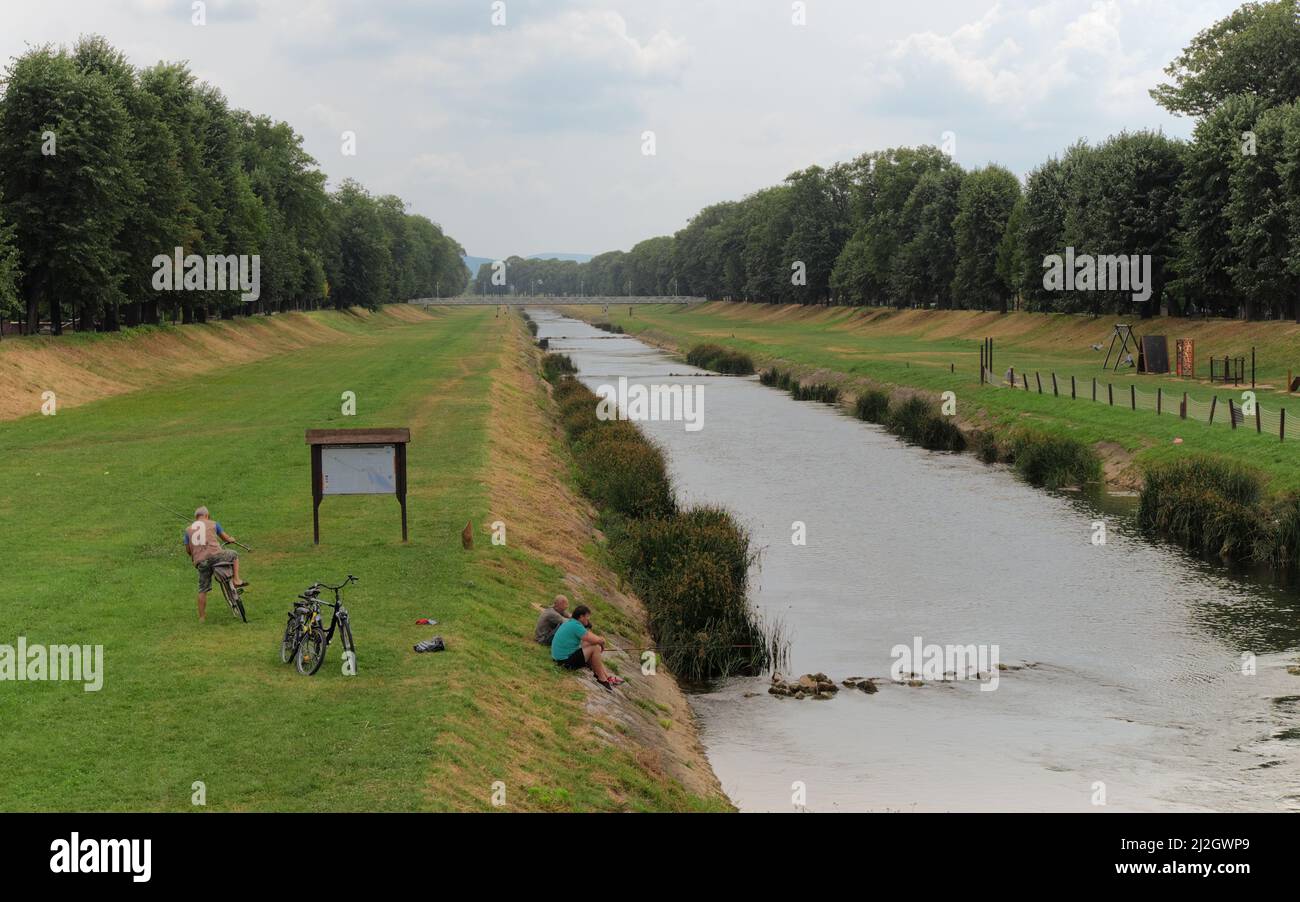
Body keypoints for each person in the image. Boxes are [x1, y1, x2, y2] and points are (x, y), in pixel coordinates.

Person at [184, 506, 247, 622]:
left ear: (196, 517)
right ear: (207, 515)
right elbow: (226, 538)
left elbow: (188, 550)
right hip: (217, 556)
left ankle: (202, 618)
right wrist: (231, 539)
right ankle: (237, 580)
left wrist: (196, 556)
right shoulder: (213, 524)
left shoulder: (188, 530)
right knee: (234, 554)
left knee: (202, 589)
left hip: (201, 562)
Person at [550, 605, 623, 687]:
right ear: (581, 616)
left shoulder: (571, 623)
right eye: (587, 617)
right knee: (595, 648)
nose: (588, 619)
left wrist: (598, 642)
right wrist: (602, 641)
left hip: (559, 659)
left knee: (594, 648)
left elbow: (585, 643)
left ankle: (607, 677)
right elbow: (595, 639)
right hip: (564, 662)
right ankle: (602, 679)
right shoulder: (576, 626)